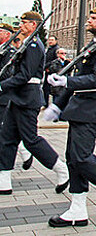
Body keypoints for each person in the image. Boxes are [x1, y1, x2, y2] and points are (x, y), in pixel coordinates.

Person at [45, 6, 96, 227]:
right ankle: (78, 209)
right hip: (80, 106)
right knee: (73, 158)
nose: (88, 21)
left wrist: (67, 81)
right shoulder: (93, 45)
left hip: (95, 107)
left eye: (94, 18)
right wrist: (58, 105)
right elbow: (79, 77)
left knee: (82, 157)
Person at [0, 12, 69, 195]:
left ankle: (61, 169)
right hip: (17, 97)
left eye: (24, 23)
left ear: (33, 25)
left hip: (27, 98)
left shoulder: (33, 45)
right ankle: (4, 180)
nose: (20, 26)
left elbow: (25, 75)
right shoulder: (27, 44)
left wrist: (2, 86)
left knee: (31, 139)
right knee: (7, 139)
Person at [0, 23, 33, 170]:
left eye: (1, 31)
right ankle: (24, 152)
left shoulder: (9, 51)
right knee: (7, 131)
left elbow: (11, 73)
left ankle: (24, 152)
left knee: (5, 131)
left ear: (7, 34)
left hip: (4, 95)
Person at [43, 36, 59, 108]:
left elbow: (55, 61)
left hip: (53, 72)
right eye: (49, 40)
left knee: (53, 90)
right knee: (45, 89)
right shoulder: (49, 49)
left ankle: (53, 105)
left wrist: (47, 67)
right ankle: (45, 104)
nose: (50, 41)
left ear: (56, 41)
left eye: (52, 40)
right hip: (48, 71)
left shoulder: (56, 49)